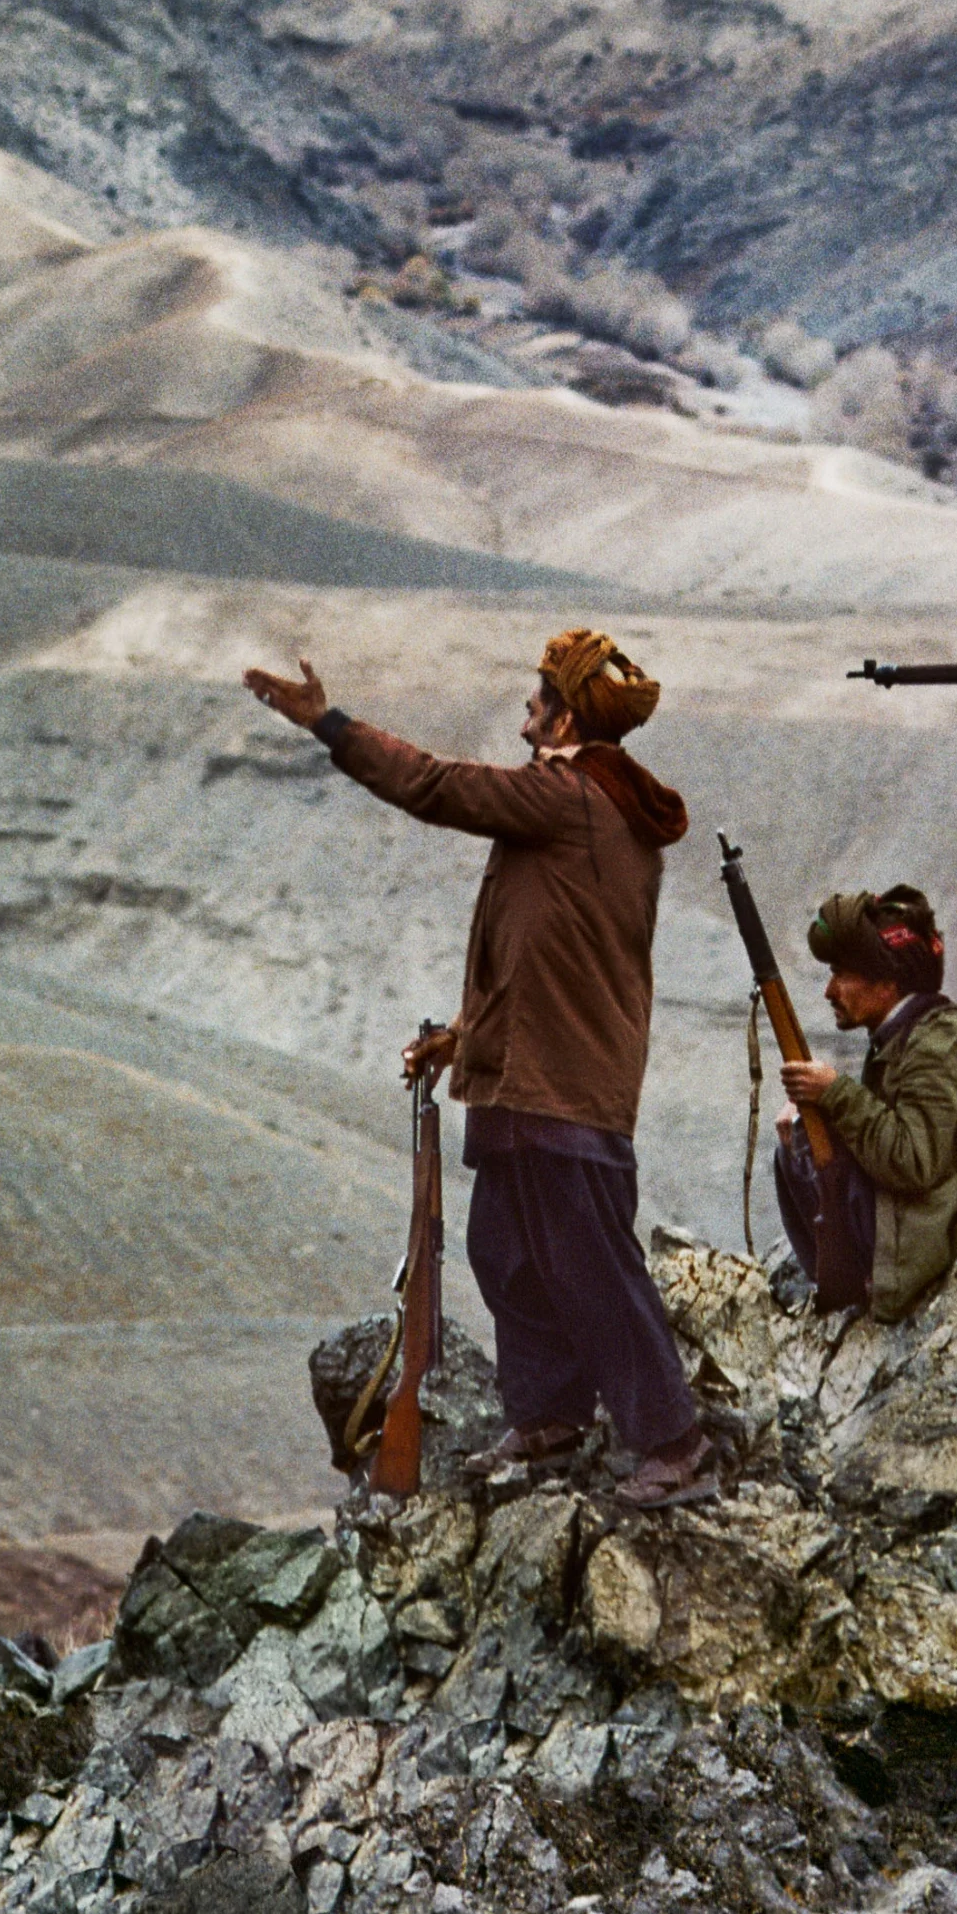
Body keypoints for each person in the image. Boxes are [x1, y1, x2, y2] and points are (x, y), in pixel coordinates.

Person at [243, 630, 715, 1511]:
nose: (524, 716)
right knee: (504, 1251)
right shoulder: (586, 807)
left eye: (537, 703)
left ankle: (674, 1442)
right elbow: (539, 956)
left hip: (561, 1087)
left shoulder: (570, 797)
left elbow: (434, 785)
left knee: (592, 1267)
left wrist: (330, 725)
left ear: (567, 718)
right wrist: (463, 1035)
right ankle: (551, 1417)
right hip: (526, 1080)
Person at [774, 887, 957, 1320]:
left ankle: (861, 1287)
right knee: (797, 1142)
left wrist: (834, 1094)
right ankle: (838, 1288)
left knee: (822, 1137)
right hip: (938, 1209)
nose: (829, 991)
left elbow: (913, 1160)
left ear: (887, 982)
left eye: (841, 974)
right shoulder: (909, 1035)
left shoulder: (936, 1047)